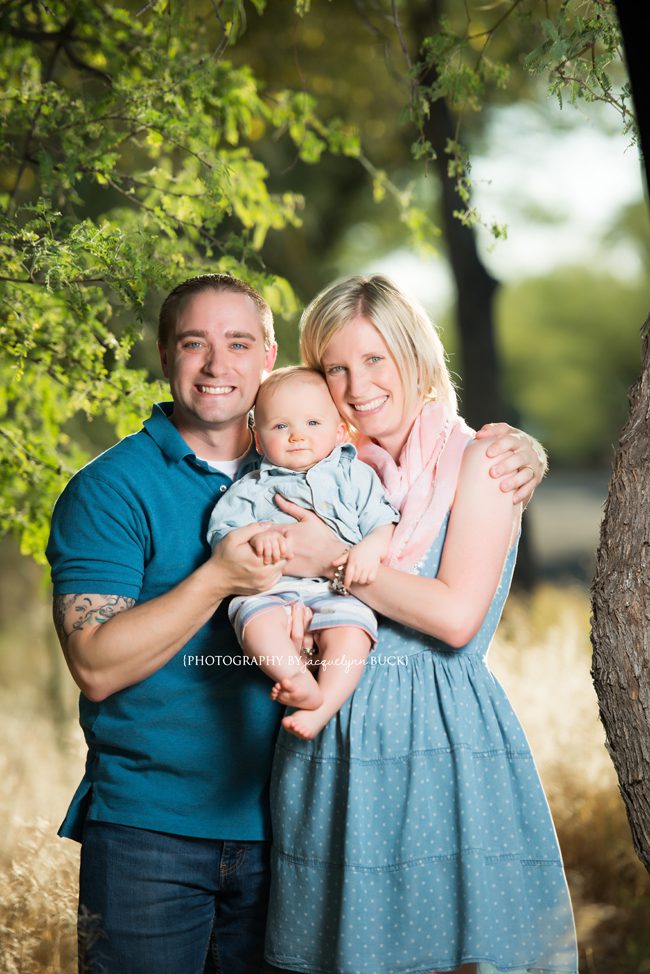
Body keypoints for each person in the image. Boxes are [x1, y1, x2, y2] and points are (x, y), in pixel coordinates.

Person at [46, 272, 547, 974]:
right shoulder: (115, 487)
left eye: (238, 343)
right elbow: (96, 666)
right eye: (193, 343)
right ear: (165, 355)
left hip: (300, 810)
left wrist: (525, 450)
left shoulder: (340, 462)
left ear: (270, 359)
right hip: (157, 829)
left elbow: (440, 571)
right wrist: (223, 576)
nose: (217, 365)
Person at [264, 275, 578, 974]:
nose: (357, 386)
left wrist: (335, 561)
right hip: (334, 740)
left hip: (438, 733)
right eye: (335, 368)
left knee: (450, 955)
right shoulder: (332, 467)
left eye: (374, 358)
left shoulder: (483, 459)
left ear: (416, 356)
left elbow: (456, 617)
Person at [207, 366, 399, 739]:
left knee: (353, 633)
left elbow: (383, 521)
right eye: (280, 426)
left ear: (340, 432)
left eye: (312, 423)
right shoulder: (250, 489)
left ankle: (321, 709)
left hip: (337, 591)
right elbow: (223, 539)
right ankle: (296, 677)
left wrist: (368, 549)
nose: (297, 435)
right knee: (253, 621)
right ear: (258, 440)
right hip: (271, 591)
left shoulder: (354, 476)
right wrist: (256, 538)